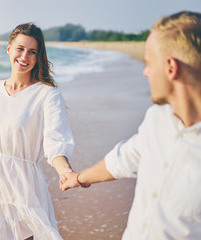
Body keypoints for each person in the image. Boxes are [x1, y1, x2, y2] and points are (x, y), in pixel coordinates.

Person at [60, 11, 201, 239]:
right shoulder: (157, 119)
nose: (145, 72)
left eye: (148, 63)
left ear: (171, 68)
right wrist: (78, 178)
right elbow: (123, 158)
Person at [0, 23, 75, 240]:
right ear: (8, 49)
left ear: (38, 56)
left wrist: (66, 172)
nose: (25, 56)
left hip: (22, 187)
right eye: (20, 48)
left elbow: (55, 142)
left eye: (32, 51)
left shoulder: (48, 95)